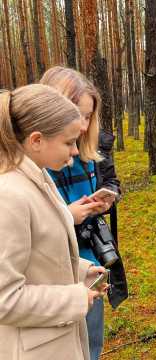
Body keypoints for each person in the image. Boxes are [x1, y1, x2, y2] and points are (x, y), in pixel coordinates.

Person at [0, 84, 108, 360]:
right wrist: (74, 298)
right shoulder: (9, 196)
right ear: (36, 140)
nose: (75, 151)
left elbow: (41, 256)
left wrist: (83, 271)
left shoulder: (39, 178)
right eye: (69, 142)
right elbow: (5, 299)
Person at [40, 66, 127, 360]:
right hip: (53, 271)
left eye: (88, 116)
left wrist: (107, 199)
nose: (82, 125)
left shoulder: (93, 146)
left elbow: (112, 181)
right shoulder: (31, 164)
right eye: (76, 114)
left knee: (91, 344)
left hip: (91, 262)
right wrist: (68, 215)